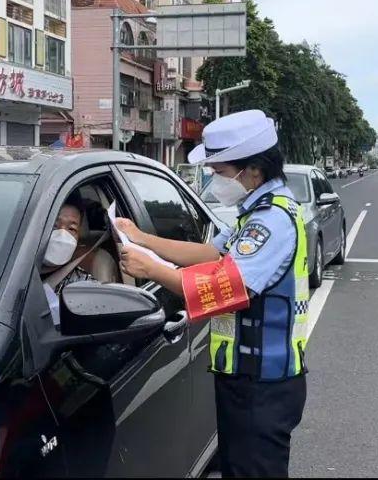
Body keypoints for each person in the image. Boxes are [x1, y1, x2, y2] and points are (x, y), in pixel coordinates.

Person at [117, 109, 309, 478]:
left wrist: (152, 270)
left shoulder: (271, 221)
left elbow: (225, 288)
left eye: (219, 171)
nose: (213, 179)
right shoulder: (253, 214)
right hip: (247, 380)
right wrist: (142, 239)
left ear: (252, 170)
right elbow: (210, 254)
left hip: (263, 387)